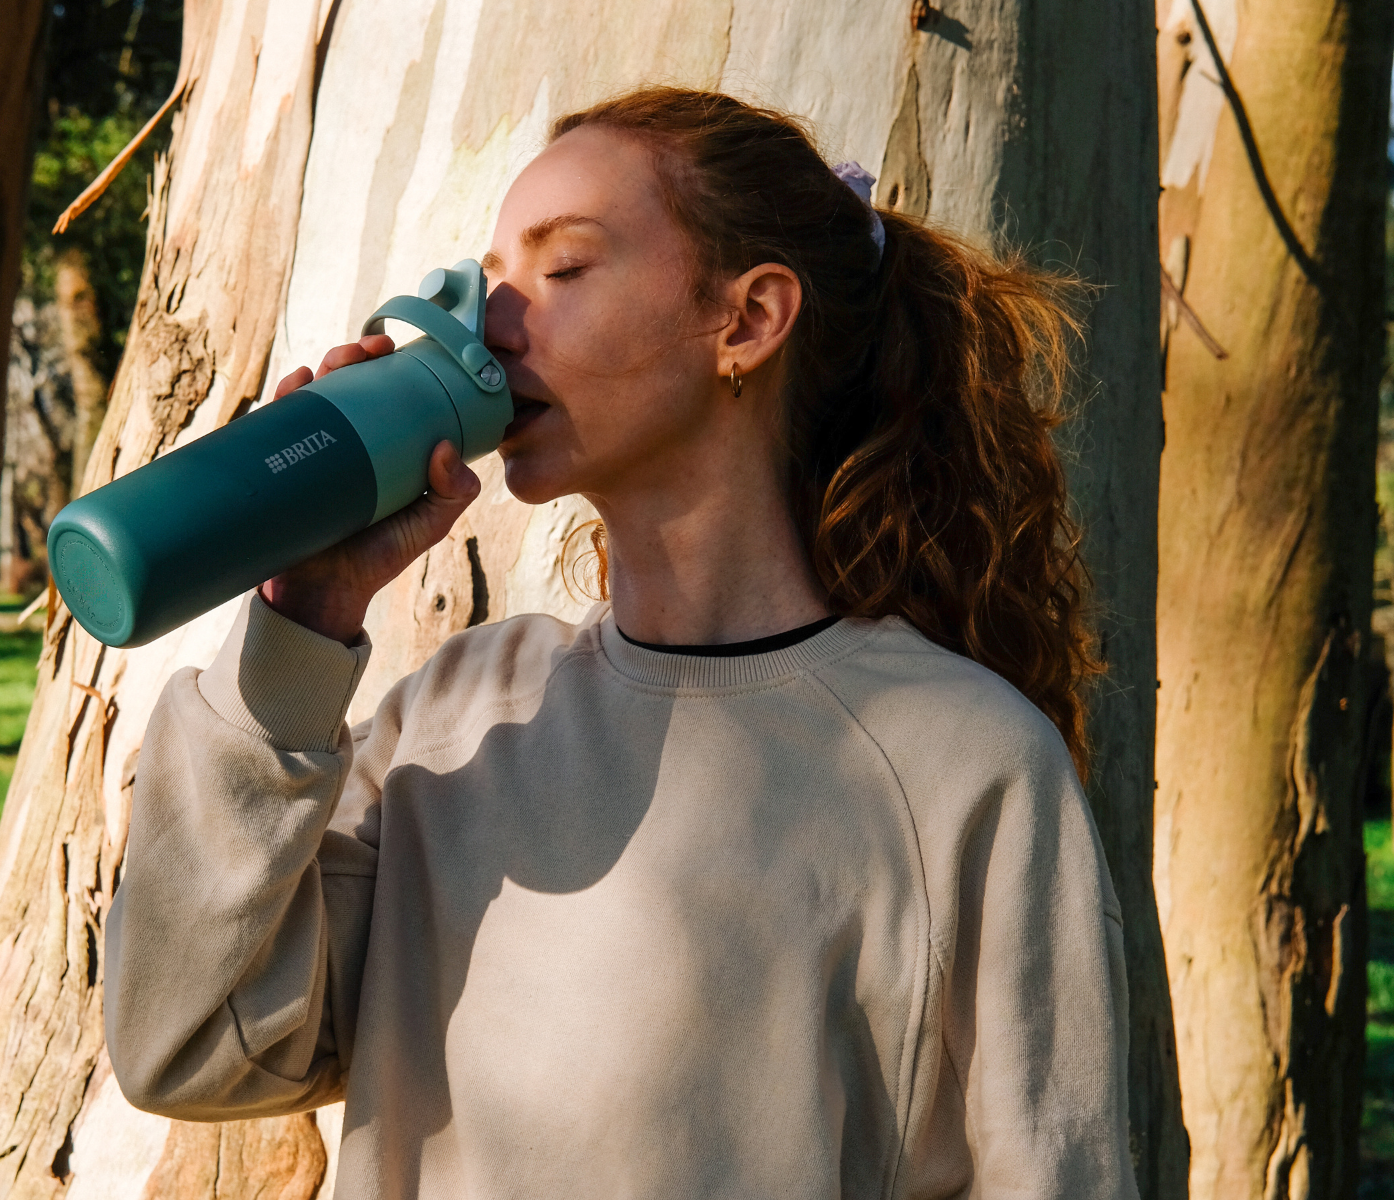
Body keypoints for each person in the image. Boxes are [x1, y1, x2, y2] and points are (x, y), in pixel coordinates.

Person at [104, 87, 1137, 1199]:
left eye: (563, 268)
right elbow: (189, 1044)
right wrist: (303, 620)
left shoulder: (961, 761)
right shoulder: (462, 713)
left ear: (748, 320)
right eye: (490, 277)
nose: (490, 325)